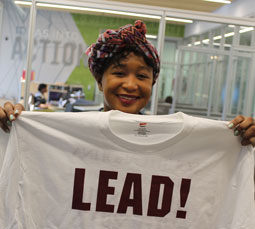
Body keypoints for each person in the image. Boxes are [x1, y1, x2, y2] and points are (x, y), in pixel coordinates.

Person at [0, 20, 254, 145]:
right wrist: (13, 129)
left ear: (153, 84)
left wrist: (240, 142)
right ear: (100, 81)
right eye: (119, 73)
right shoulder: (68, 134)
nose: (131, 85)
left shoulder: (176, 140)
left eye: (142, 76)